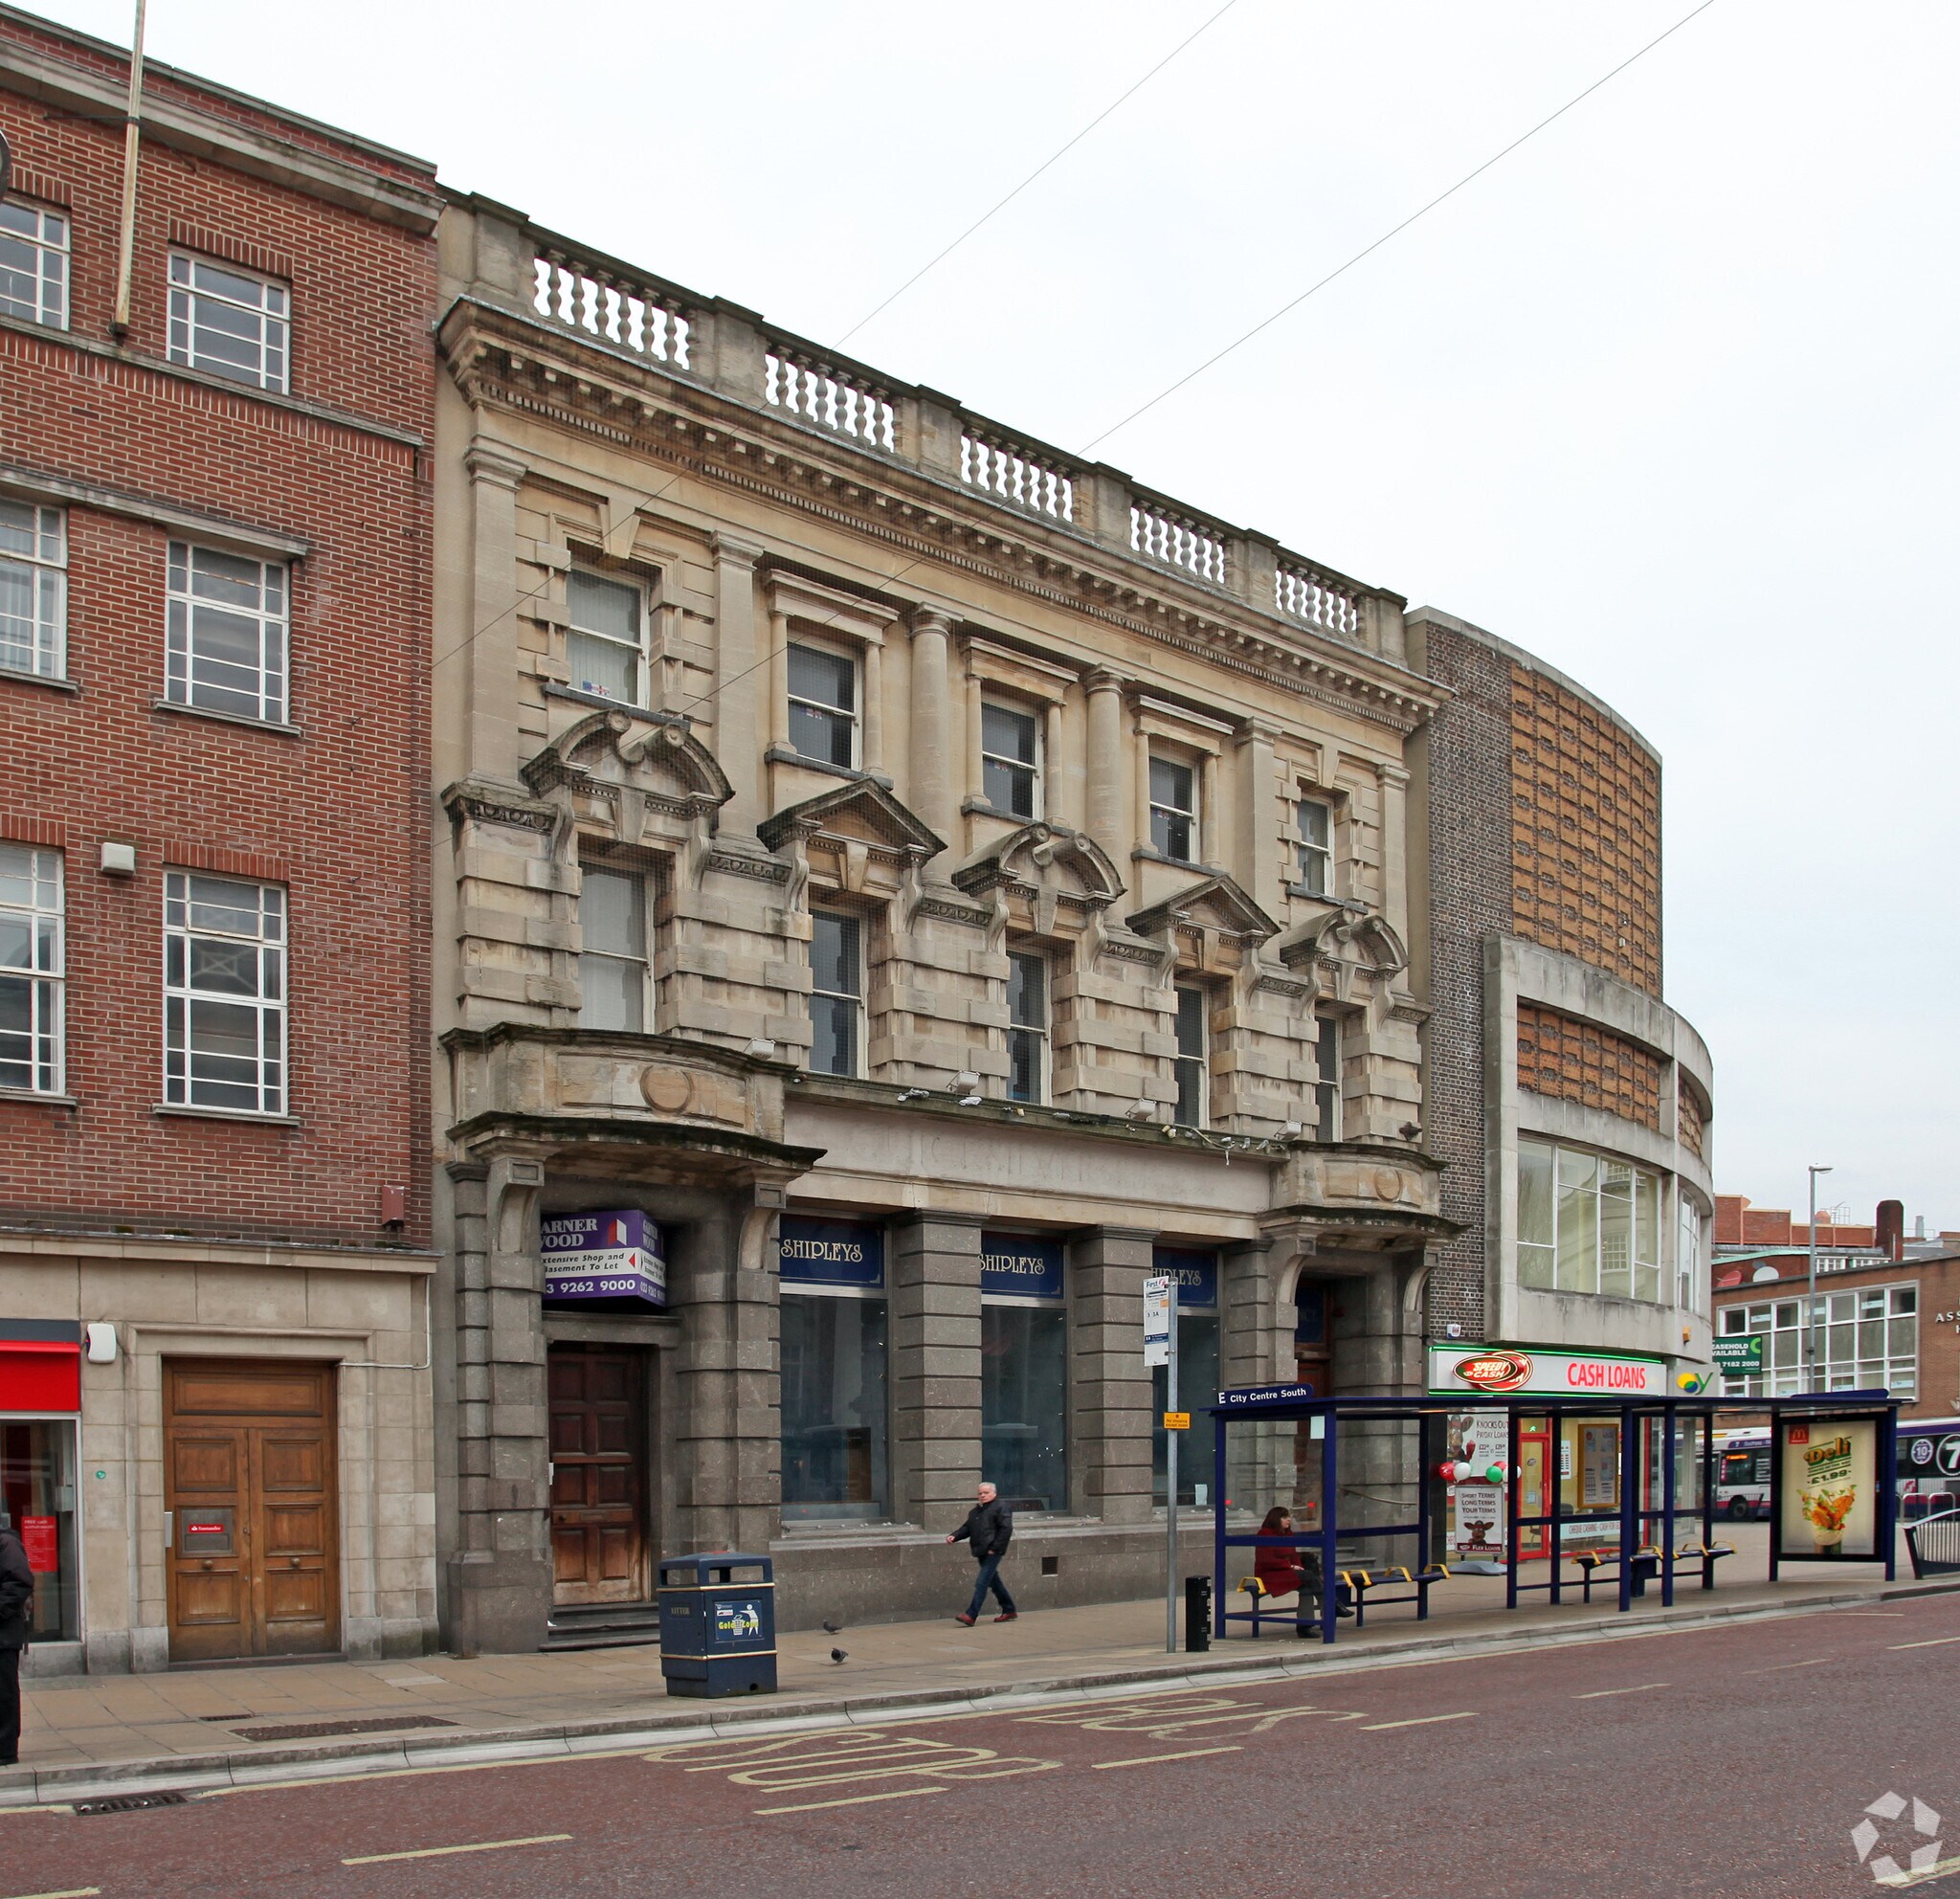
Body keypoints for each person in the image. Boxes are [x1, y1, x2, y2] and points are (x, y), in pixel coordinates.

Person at [1254, 1505, 1348, 1636]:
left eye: (1289, 1517)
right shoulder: (1265, 1533)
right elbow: (1266, 1559)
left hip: (1287, 1572)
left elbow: (1293, 1555)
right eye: (1284, 1517)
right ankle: (1332, 1606)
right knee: (1308, 1577)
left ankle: (1305, 1627)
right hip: (1271, 1573)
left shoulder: (1288, 1534)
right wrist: (1290, 1566)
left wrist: (1298, 1566)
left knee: (1307, 1585)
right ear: (1275, 1519)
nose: (1289, 1520)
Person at [946, 1481, 1016, 1625]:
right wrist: (955, 1536)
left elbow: (1006, 1529)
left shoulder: (1001, 1507)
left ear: (994, 1493)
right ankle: (1009, 1609)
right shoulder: (976, 1512)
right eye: (980, 1493)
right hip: (981, 1550)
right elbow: (967, 1528)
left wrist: (995, 1548)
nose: (982, 1495)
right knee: (994, 1582)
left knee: (982, 1581)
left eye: (986, 1493)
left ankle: (971, 1614)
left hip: (993, 1551)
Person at [0, 1511, 33, 1765]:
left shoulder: (6, 1544)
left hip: (3, 1635)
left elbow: (19, 1583)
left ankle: (5, 1750)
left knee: (4, 1693)